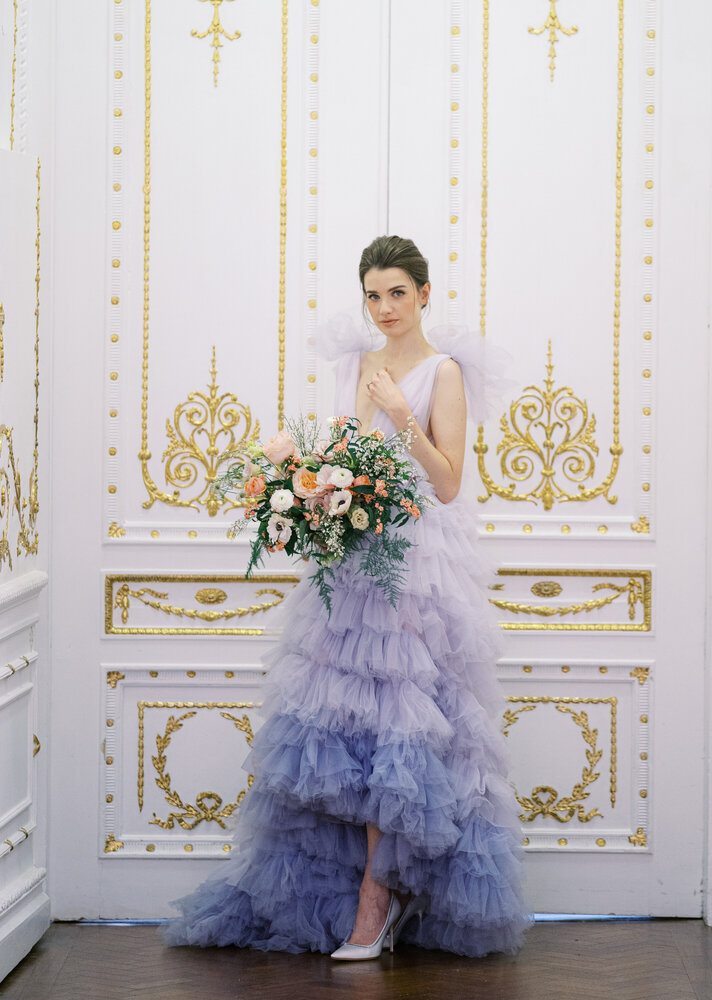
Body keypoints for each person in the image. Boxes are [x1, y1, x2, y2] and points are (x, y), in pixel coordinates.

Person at [164, 235, 529, 960]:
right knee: (345, 735)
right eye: (373, 294)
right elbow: (347, 459)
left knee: (402, 730)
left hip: (417, 567)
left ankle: (380, 899)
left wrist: (402, 413)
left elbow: (449, 481)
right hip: (356, 558)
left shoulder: (443, 372)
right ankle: (358, 893)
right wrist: (305, 476)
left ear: (424, 293)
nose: (385, 307)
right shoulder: (358, 364)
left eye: (398, 292)